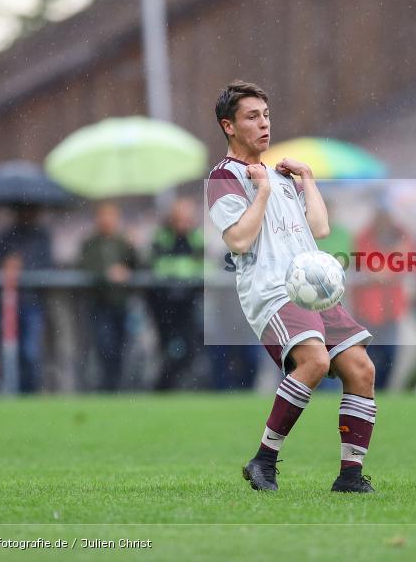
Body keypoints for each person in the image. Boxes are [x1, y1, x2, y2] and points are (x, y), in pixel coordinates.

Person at [207, 80, 377, 493]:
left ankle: (350, 478)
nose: (263, 124)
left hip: (312, 289)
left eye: (265, 115)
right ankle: (264, 460)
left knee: (361, 370)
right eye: (252, 117)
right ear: (229, 126)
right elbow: (239, 240)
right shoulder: (225, 177)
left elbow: (319, 227)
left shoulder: (282, 176)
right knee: (315, 362)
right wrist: (262, 189)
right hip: (272, 290)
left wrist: (307, 178)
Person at [0, 205, 53, 394]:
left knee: (30, 351)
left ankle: (30, 392)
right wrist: (6, 264)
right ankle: (12, 390)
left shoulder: (41, 237)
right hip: (8, 303)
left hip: (32, 301)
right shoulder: (6, 237)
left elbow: (47, 266)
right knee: (9, 351)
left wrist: (24, 267)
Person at [79, 202, 138, 391]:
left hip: (121, 302)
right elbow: (85, 266)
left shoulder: (123, 243)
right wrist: (107, 274)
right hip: (100, 303)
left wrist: (133, 248)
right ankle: (107, 386)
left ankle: (116, 387)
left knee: (120, 347)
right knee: (105, 346)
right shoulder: (90, 244)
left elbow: (138, 264)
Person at [351, 209, 413, 389]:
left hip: (391, 308)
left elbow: (404, 264)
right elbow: (368, 268)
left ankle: (381, 389)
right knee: (367, 354)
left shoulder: (402, 237)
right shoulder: (364, 237)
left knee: (390, 354)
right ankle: (366, 389)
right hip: (367, 309)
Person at [148, 198, 204, 391]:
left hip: (188, 302)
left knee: (188, 349)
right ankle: (163, 387)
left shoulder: (196, 237)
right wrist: (186, 271)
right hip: (164, 303)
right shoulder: (162, 237)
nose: (184, 223)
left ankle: (166, 386)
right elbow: (157, 265)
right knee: (169, 348)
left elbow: (205, 265)